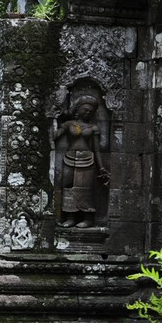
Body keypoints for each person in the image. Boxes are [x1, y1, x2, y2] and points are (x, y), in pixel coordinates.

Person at [54, 95, 109, 228]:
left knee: (85, 189)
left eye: (91, 111)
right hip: (69, 158)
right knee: (68, 187)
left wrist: (101, 167)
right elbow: (54, 136)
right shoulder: (69, 124)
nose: (88, 113)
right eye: (85, 110)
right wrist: (53, 119)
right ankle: (70, 217)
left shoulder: (93, 128)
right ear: (78, 109)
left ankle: (88, 218)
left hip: (88, 160)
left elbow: (97, 150)